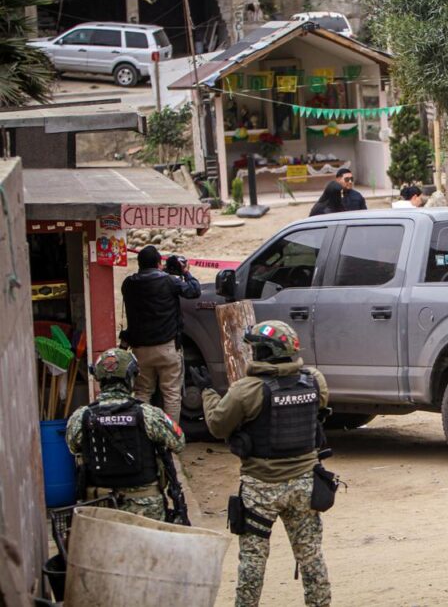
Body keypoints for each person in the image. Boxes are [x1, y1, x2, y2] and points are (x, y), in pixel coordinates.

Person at [197, 321, 331, 607]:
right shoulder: (314, 380)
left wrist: (207, 393)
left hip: (260, 487)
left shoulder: (247, 389)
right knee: (311, 557)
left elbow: (218, 426)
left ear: (262, 352)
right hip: (305, 485)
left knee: (252, 562)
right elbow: (319, 411)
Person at [66, 348, 186, 520]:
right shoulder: (149, 415)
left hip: (100, 509)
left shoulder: (80, 417)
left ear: (99, 380)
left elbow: (72, 447)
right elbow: (179, 442)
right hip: (145, 509)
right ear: (130, 378)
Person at [120, 246, 201, 424]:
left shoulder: (128, 283)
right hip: (167, 348)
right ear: (159, 263)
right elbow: (194, 291)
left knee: (142, 393)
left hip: (140, 350)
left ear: (139, 263)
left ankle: (143, 438)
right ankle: (171, 443)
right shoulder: (170, 282)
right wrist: (185, 272)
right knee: (171, 394)